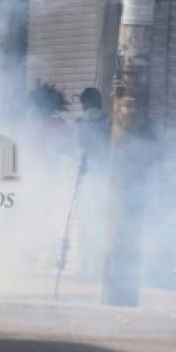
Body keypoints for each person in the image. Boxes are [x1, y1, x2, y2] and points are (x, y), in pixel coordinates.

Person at [74, 87, 111, 279]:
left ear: (84, 104)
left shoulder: (80, 124)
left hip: (88, 182)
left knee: (86, 226)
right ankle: (97, 268)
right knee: (101, 225)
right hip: (105, 182)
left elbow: (75, 153)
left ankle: (87, 268)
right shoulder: (111, 124)